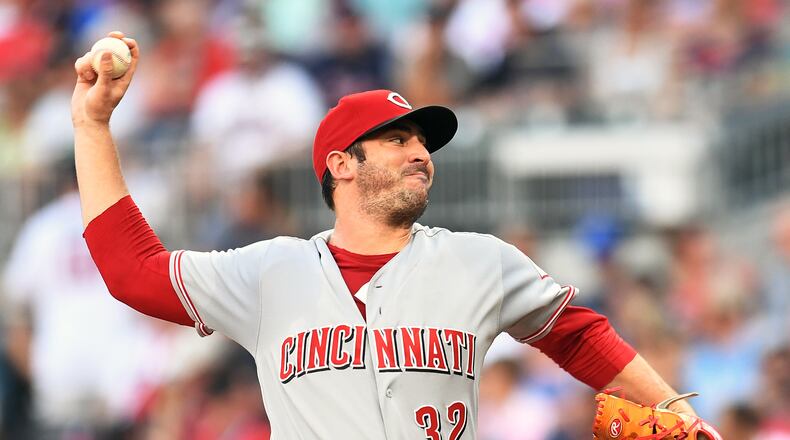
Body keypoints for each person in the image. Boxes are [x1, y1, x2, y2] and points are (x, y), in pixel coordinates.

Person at [72, 32, 713, 438]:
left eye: (423, 143)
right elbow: (132, 272)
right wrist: (93, 127)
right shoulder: (270, 273)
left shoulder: (480, 261)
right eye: (397, 140)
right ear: (341, 165)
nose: (420, 153)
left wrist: (678, 413)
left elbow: (579, 334)